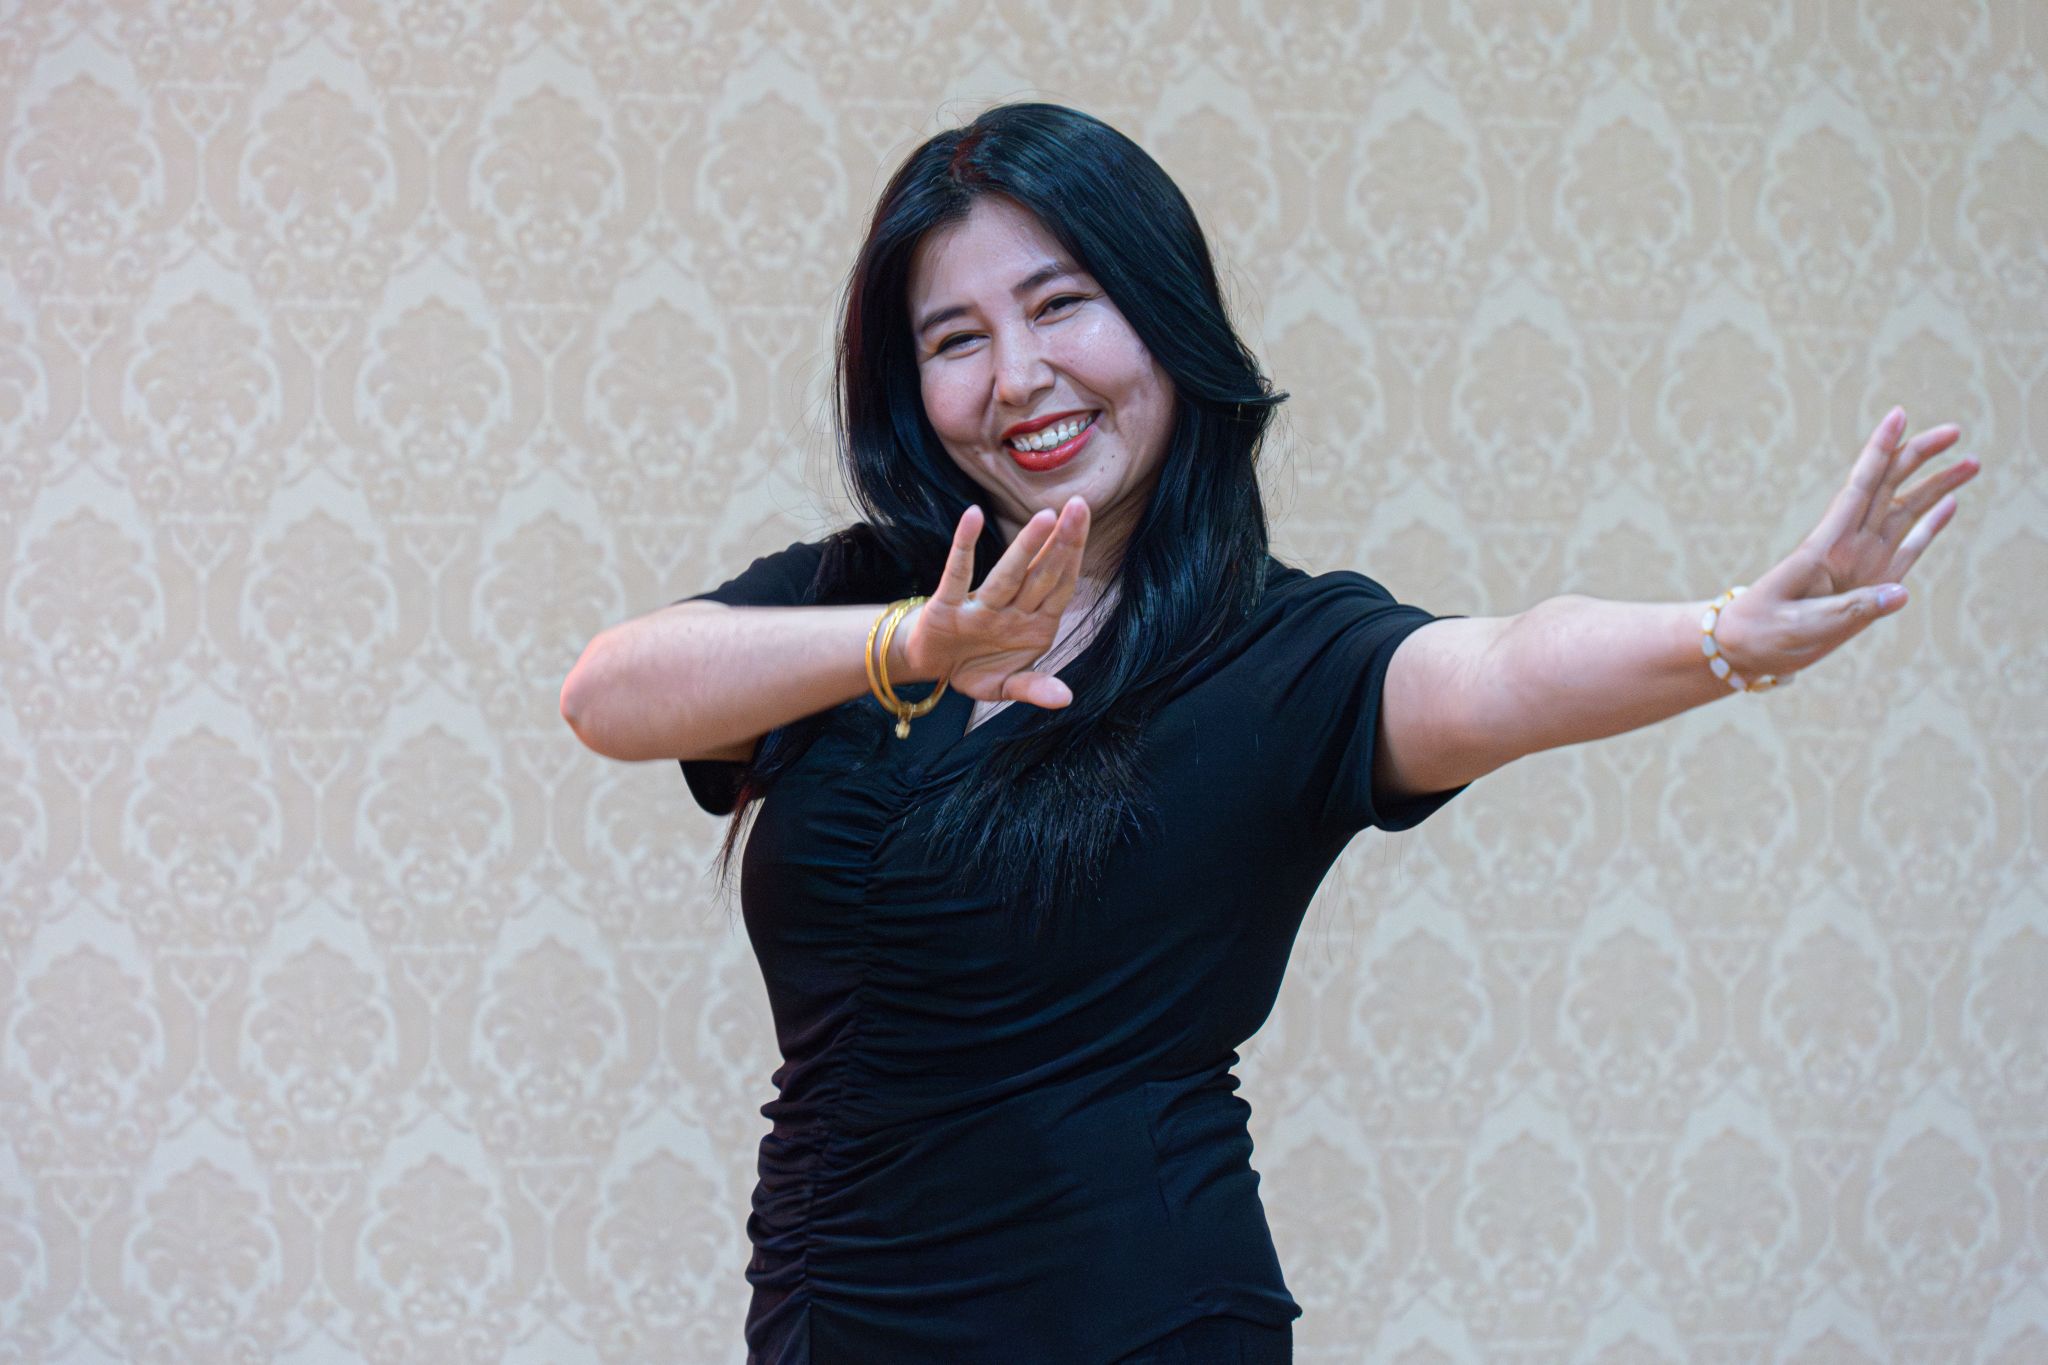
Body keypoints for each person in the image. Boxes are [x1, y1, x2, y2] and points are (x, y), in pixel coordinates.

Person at [559, 102, 1977, 1365]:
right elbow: (607, 693)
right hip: (827, 1319)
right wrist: (913, 646)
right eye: (956, 339)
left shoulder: (1279, 655)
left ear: (1164, 316)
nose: (1018, 376)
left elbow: (1503, 666)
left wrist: (1727, 632)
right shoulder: (859, 596)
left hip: (1138, 1322)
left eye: (1062, 305)